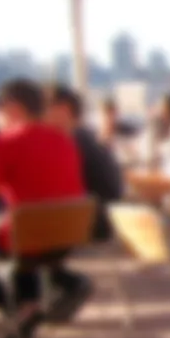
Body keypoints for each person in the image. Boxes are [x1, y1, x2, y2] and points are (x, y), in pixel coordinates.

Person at [0, 78, 89, 338]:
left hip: (24, 240)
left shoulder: (6, 142)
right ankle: (32, 301)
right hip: (65, 237)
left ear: (13, 108)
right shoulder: (63, 140)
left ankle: (15, 306)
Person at [47, 86, 124, 242]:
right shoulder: (87, 138)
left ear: (64, 110)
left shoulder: (72, 143)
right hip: (101, 222)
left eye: (45, 108)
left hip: (87, 226)